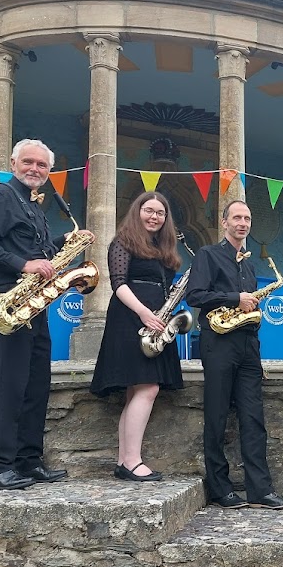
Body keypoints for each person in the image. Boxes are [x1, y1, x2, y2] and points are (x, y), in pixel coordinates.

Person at [0, 139, 86, 490]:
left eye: (42, 165)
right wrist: (23, 263)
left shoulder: (33, 206)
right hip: (5, 300)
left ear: (48, 172)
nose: (34, 169)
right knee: (11, 385)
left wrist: (66, 243)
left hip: (33, 305)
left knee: (36, 385)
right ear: (14, 163)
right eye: (28, 162)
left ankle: (29, 462)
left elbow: (38, 249)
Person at [184, 200, 283, 510]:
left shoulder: (247, 262)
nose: (242, 223)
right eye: (237, 217)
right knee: (217, 416)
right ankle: (220, 489)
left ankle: (261, 490)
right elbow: (195, 295)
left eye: (247, 218)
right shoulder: (208, 255)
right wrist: (236, 297)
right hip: (218, 342)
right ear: (225, 222)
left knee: (253, 418)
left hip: (247, 344)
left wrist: (251, 306)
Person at [89, 192, 184, 482]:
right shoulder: (122, 242)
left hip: (157, 320)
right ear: (137, 211)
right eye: (149, 210)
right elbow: (118, 285)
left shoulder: (163, 249)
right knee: (148, 388)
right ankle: (132, 461)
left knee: (137, 391)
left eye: (160, 213)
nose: (154, 217)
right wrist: (144, 313)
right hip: (131, 318)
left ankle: (124, 461)